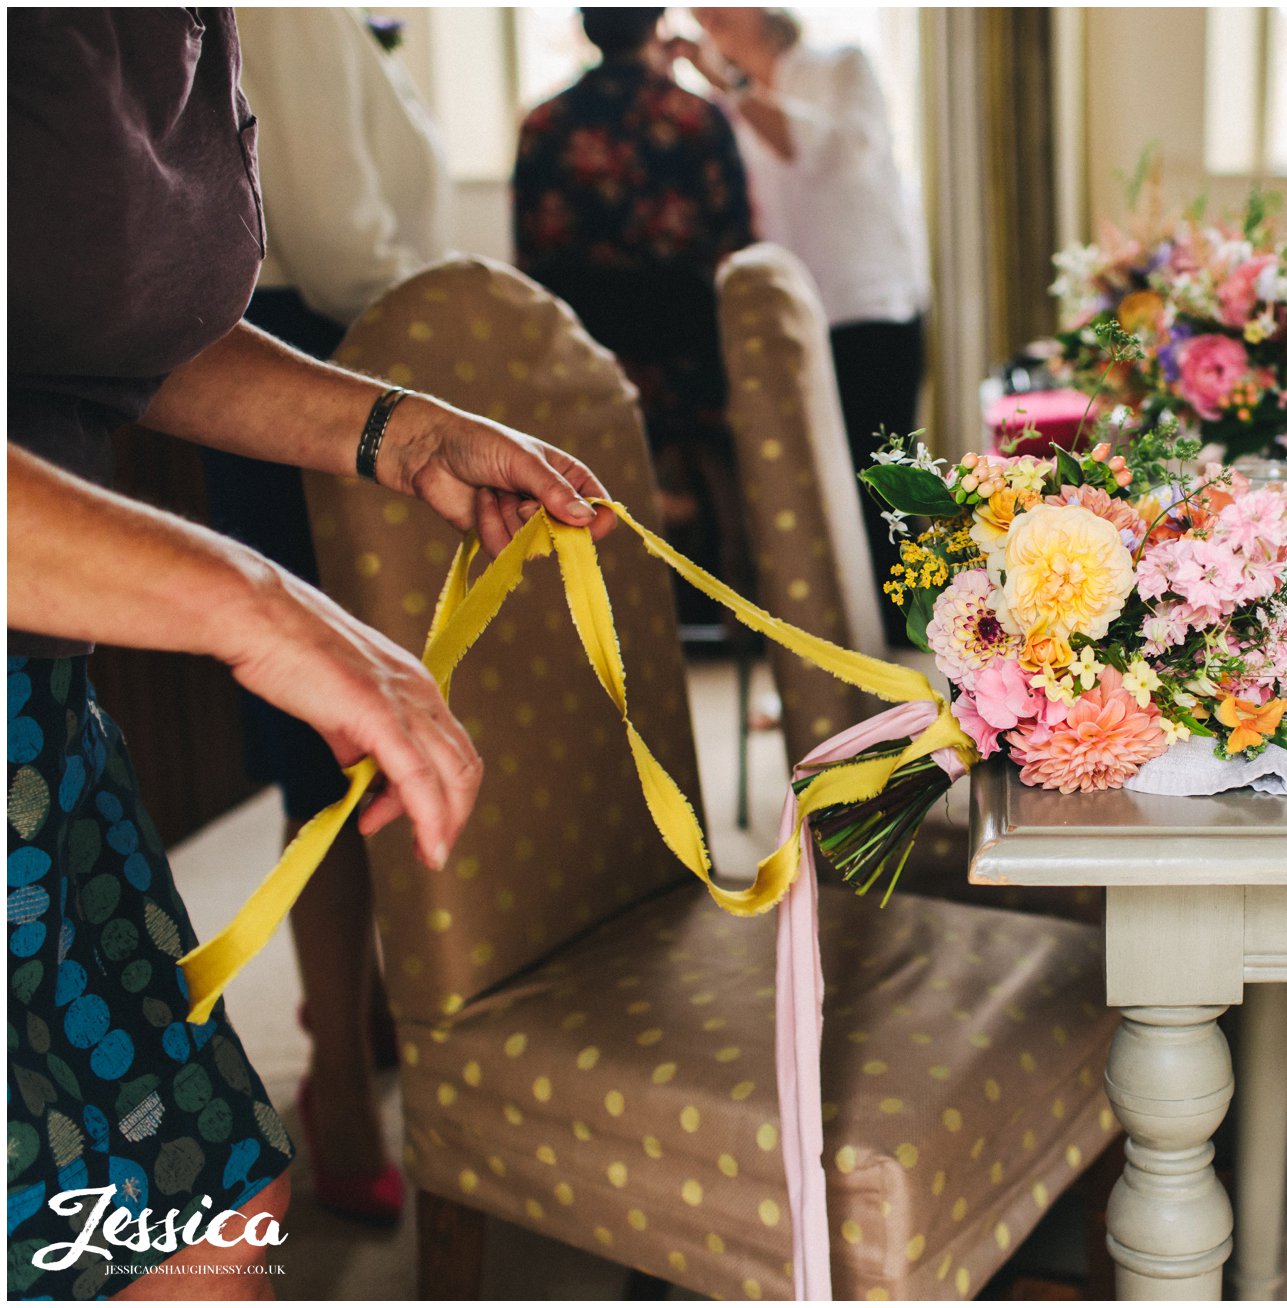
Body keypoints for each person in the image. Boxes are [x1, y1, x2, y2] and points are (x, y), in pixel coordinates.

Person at [8, 10, 613, 1298]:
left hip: (36, 700)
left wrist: (399, 433)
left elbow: (95, 322)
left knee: (214, 1205)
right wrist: (258, 603)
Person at [197, 6, 455, 1226]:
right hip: (314, 377)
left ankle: (361, 1014)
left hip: (356, 373)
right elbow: (343, 247)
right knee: (333, 739)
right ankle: (339, 1082)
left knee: (382, 715)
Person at [680, 7, 930, 641]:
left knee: (887, 482)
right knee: (821, 488)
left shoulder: (843, 66)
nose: (708, 22)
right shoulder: (723, 106)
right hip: (794, 316)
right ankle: (847, 644)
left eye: (718, 13)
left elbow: (820, 153)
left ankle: (917, 645)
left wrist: (731, 89)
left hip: (869, 300)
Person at [514, 7, 754, 624]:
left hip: (586, 359)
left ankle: (588, 610)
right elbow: (736, 243)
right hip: (686, 354)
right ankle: (737, 612)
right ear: (655, 28)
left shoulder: (544, 124)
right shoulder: (696, 118)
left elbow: (531, 255)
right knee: (716, 438)